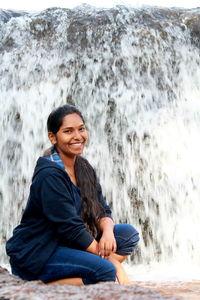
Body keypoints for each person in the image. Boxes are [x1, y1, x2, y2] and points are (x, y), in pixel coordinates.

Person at [6, 104, 139, 285]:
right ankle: (41, 285)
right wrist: (113, 262)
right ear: (53, 137)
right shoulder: (49, 175)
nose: (78, 136)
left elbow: (102, 210)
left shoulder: (82, 166)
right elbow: (72, 229)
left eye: (81, 129)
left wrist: (108, 232)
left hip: (67, 243)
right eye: (68, 131)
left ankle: (87, 272)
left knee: (127, 235)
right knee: (105, 270)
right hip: (39, 251)